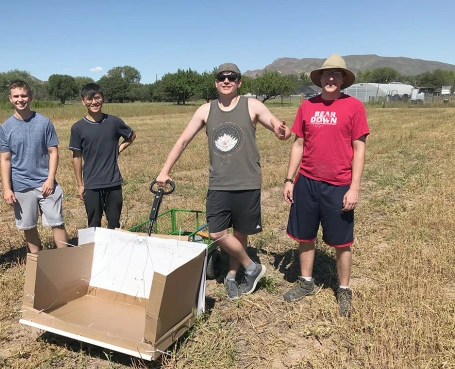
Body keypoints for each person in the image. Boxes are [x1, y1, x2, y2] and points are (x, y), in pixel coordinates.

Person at [156, 63, 291, 300]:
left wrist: (282, 131)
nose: (226, 81)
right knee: (218, 232)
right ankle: (252, 267)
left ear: (239, 82)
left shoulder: (252, 105)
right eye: (221, 77)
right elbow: (182, 141)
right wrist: (164, 171)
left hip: (247, 181)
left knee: (240, 233)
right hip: (219, 182)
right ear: (215, 82)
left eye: (232, 77)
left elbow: (278, 128)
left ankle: (231, 276)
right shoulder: (205, 110)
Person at [282, 54, 370, 316]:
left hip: (339, 184)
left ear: (343, 80)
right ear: (320, 78)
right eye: (327, 74)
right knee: (305, 236)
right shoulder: (307, 106)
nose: (331, 78)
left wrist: (354, 187)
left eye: (337, 74)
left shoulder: (354, 107)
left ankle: (343, 289)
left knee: (342, 242)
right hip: (306, 182)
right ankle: (306, 283)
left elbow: (359, 149)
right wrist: (289, 179)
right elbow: (298, 144)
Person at [0, 80, 68, 253]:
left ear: (30, 97)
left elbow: (53, 152)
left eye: (23, 95)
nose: (20, 99)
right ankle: (38, 262)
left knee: (57, 222)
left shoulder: (44, 122)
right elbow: (5, 160)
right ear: (10, 99)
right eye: (16, 96)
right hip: (21, 185)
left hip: (45, 183)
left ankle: (66, 260)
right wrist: (7, 188)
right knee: (29, 226)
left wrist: (50, 179)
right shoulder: (5, 127)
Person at [69, 83, 136, 229]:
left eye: (97, 98)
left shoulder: (114, 122)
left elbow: (131, 136)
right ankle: (96, 250)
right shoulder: (78, 128)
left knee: (114, 224)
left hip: (113, 182)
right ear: (83, 101)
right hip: (91, 184)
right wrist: (80, 185)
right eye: (89, 99)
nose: (94, 102)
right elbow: (77, 157)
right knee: (94, 224)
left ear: (103, 99)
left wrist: (118, 149)